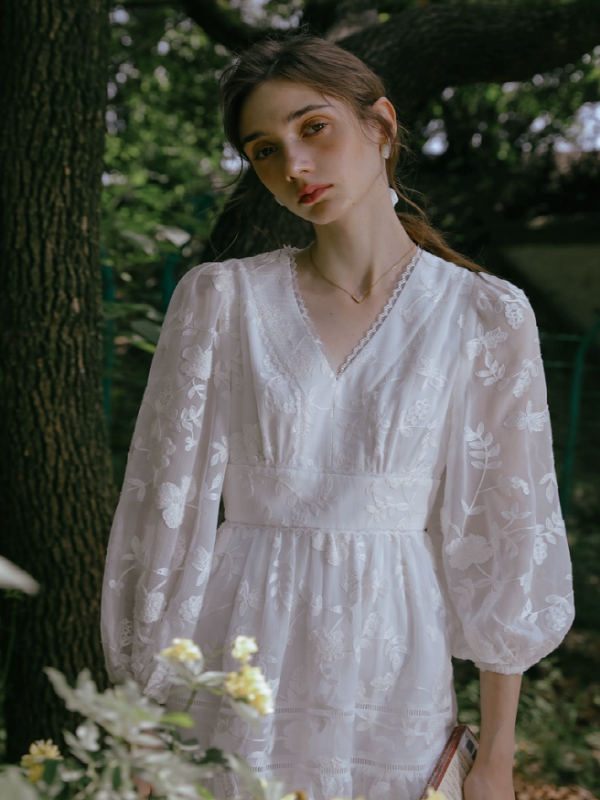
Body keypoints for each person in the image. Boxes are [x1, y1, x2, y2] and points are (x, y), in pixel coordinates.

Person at [101, 31, 575, 800]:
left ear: (380, 126)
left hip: (395, 662)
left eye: (312, 127)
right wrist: (144, 721)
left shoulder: (484, 315)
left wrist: (495, 758)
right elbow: (165, 511)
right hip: (237, 646)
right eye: (264, 149)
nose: (294, 165)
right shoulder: (221, 301)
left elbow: (505, 535)